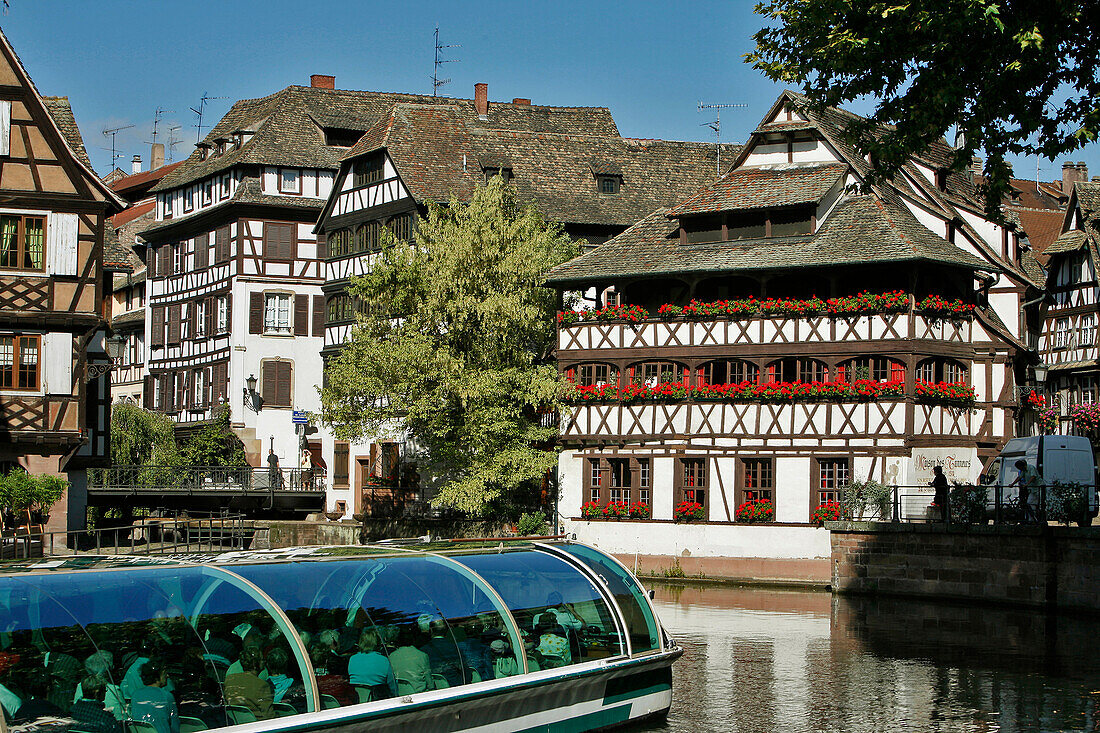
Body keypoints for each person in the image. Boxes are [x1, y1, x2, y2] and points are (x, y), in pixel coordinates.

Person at [223, 647, 274, 721]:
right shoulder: (262, 685)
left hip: (235, 723)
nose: (265, 662)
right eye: (262, 659)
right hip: (258, 726)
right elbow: (269, 716)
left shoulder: (230, 679)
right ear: (255, 664)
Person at [129, 661, 179, 733]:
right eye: (164, 673)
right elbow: (175, 725)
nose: (167, 676)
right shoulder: (166, 696)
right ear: (156, 677)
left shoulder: (135, 695)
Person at [347, 629, 396, 700]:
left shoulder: (352, 659)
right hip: (376, 701)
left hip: (355, 701)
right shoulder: (384, 660)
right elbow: (393, 686)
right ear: (377, 642)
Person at [420, 619, 466, 688]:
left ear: (431, 630)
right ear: (446, 631)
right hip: (456, 687)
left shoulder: (423, 651)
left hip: (435, 690)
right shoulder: (455, 647)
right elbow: (465, 671)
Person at [387, 627, 431, 693]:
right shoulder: (422, 655)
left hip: (399, 695)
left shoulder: (391, 656)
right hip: (420, 696)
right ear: (413, 639)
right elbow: (430, 683)